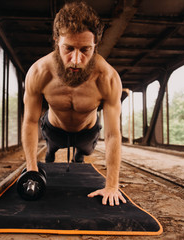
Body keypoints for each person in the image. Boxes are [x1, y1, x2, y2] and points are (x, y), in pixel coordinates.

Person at [22, 1, 126, 206]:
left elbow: (113, 134)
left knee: (86, 152)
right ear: (56, 41)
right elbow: (30, 122)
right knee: (51, 150)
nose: (76, 60)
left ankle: (79, 154)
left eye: (85, 49)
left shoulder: (108, 78)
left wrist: (112, 186)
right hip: (53, 128)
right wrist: (32, 168)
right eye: (68, 48)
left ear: (95, 45)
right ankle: (51, 151)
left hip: (87, 131)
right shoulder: (39, 72)